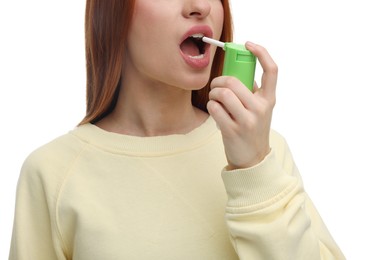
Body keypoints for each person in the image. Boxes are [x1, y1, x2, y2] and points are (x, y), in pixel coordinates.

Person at [9, 0, 345, 259]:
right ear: (114, 12)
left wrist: (253, 168)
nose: (200, 6)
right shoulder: (52, 172)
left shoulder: (265, 152)